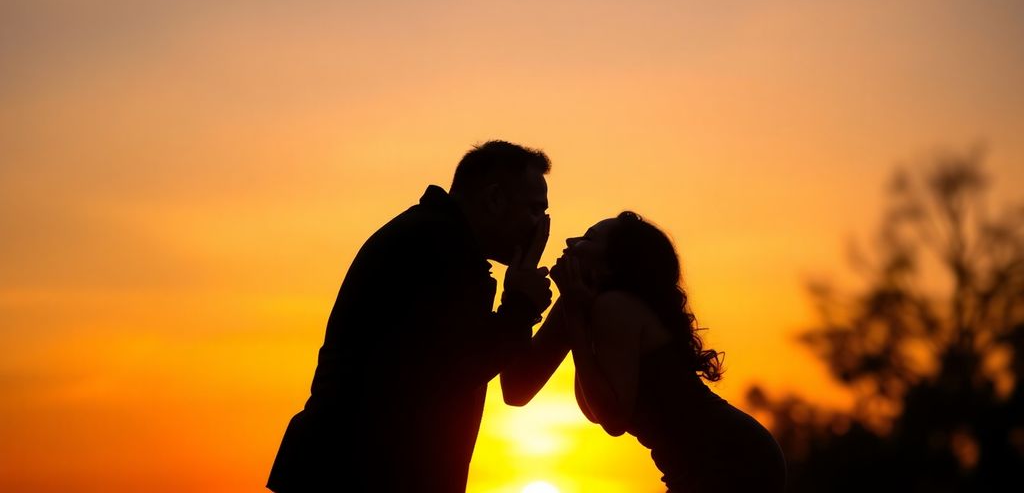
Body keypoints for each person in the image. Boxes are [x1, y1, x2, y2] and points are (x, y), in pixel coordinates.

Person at [268, 140, 554, 492]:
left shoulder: (434, 237)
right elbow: (456, 370)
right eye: (534, 210)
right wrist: (520, 309)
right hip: (358, 472)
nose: (542, 227)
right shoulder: (439, 250)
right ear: (494, 200)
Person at [501, 211, 787, 492]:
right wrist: (523, 292)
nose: (570, 241)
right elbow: (516, 390)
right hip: (696, 464)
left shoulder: (615, 306)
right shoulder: (579, 304)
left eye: (588, 238)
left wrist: (577, 321)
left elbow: (613, 419)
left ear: (611, 266)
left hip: (732, 458)